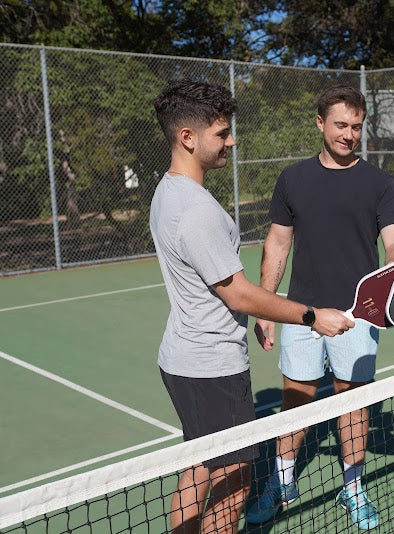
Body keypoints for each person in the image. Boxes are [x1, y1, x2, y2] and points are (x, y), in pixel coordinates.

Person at [150, 79, 354, 534]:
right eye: (222, 133)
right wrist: (311, 316)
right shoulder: (195, 210)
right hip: (211, 367)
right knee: (234, 482)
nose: (231, 141)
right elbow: (237, 293)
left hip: (183, 358)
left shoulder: (167, 191)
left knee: (199, 465)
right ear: (188, 137)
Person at [246, 85, 394, 530]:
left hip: (359, 314)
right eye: (340, 125)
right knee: (296, 399)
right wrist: (267, 307)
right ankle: (282, 483)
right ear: (320, 123)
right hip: (302, 312)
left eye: (356, 126)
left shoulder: (379, 183)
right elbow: (278, 244)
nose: (349, 134)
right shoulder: (293, 179)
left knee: (352, 402)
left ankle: (352, 488)